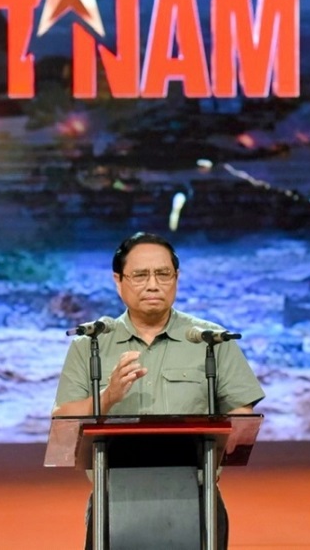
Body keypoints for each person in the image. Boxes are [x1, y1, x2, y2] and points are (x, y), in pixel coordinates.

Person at [53, 232, 265, 550]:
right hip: (115, 498)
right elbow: (63, 423)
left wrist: (220, 449)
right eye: (140, 275)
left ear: (176, 278)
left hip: (197, 496)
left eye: (163, 274)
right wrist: (108, 396)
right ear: (118, 280)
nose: (153, 285)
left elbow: (241, 413)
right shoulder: (90, 344)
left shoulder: (211, 340)